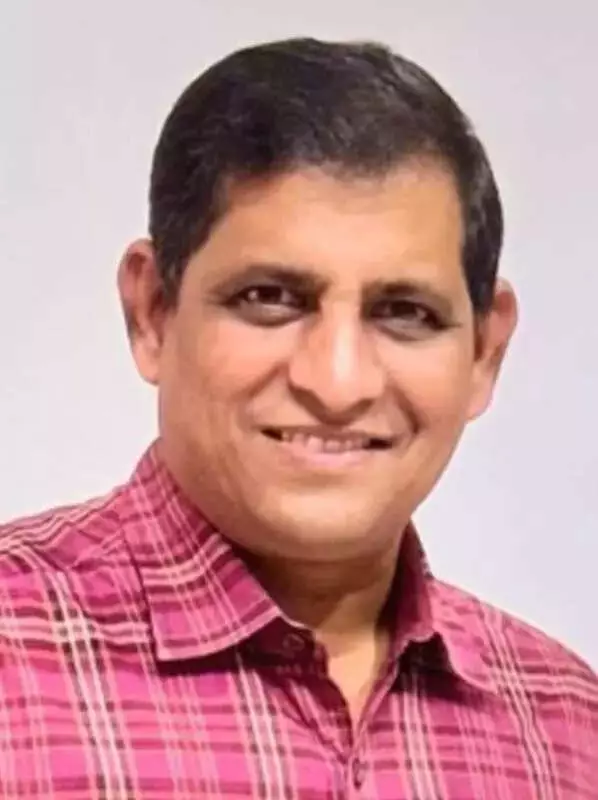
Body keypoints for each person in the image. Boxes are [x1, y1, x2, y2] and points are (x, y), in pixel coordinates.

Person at [0, 37, 596, 800]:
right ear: (151, 312)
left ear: (485, 352)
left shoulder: (566, 725)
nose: (338, 383)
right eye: (270, 298)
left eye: (404, 312)